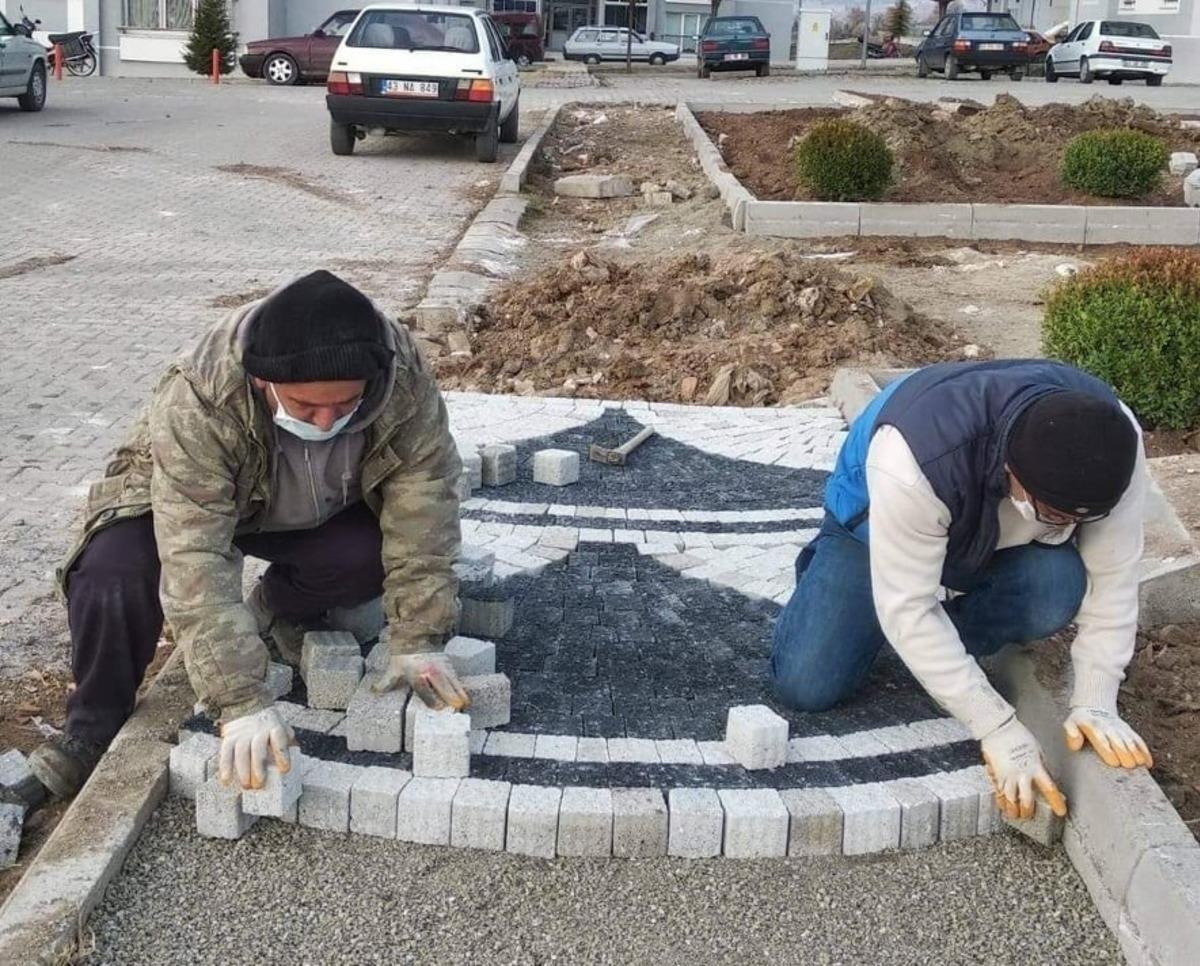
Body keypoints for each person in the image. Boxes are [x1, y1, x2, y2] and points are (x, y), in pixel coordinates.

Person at [30, 270, 467, 799]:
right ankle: (92, 729)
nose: (327, 421)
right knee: (112, 572)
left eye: (345, 404)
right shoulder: (202, 394)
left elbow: (424, 502)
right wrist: (239, 701)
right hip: (185, 497)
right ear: (264, 381)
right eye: (307, 408)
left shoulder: (402, 378)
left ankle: (275, 610)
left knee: (365, 556)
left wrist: (419, 637)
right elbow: (194, 550)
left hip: (314, 503)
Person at [771, 360, 1153, 821]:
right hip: (876, 519)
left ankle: (938, 651)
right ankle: (844, 589)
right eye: (1055, 515)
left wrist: (1096, 698)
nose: (1070, 527)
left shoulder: (1114, 447)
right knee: (807, 683)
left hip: (987, 526)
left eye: (1081, 519)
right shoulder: (912, 459)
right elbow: (909, 606)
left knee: (1056, 587)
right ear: (1013, 470)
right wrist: (997, 727)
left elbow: (1114, 574)